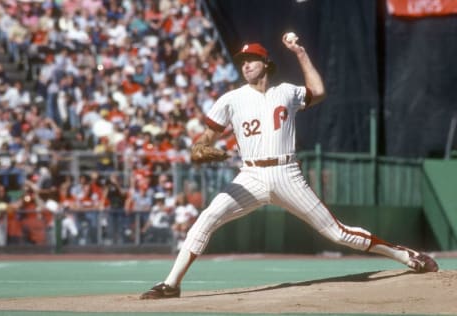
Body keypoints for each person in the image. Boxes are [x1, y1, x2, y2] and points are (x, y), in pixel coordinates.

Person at [139, 32, 439, 300]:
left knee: (338, 234)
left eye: (252, 59)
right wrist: (203, 149)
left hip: (286, 173)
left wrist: (300, 54)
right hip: (251, 176)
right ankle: (171, 284)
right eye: (243, 60)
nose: (246, 65)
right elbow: (202, 141)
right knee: (206, 218)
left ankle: (403, 255)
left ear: (266, 63)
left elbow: (319, 91)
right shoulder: (231, 99)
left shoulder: (286, 91)